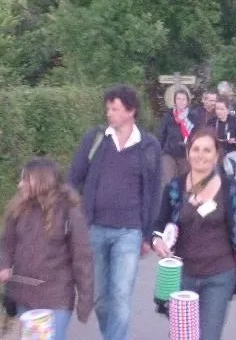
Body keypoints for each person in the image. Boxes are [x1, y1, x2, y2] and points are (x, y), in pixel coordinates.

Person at [152, 129, 236, 340]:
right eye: (195, 149)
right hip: (182, 276)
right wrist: (156, 239)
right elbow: (159, 224)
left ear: (216, 155)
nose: (201, 155)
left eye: (207, 150)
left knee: (208, 336)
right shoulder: (175, 187)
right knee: (183, 337)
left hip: (219, 275)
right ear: (188, 153)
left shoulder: (229, 189)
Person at [68, 85, 162, 340]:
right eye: (108, 108)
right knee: (99, 299)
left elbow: (154, 192)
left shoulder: (148, 145)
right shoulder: (96, 139)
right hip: (94, 228)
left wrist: (148, 233)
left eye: (115, 109)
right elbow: (74, 178)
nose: (109, 113)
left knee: (120, 296)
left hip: (129, 232)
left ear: (131, 111)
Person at [1, 158, 94, 340]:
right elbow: (6, 243)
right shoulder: (17, 209)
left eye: (26, 180)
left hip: (55, 300)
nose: (20, 185)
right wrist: (4, 265)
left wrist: (85, 301)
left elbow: (82, 259)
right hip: (23, 296)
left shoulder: (69, 212)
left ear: (42, 181)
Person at [207, 97, 236, 193]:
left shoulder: (234, 121)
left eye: (222, 109)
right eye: (217, 109)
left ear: (227, 109)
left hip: (231, 155)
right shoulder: (211, 122)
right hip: (216, 156)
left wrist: (235, 140)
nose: (219, 112)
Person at [157, 87, 195, 186]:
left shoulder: (193, 117)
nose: (181, 101)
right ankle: (166, 200)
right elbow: (161, 135)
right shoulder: (168, 116)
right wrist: (159, 152)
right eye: (178, 99)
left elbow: (197, 135)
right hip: (169, 153)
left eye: (183, 99)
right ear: (174, 101)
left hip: (185, 155)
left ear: (187, 101)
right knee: (168, 182)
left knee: (184, 183)